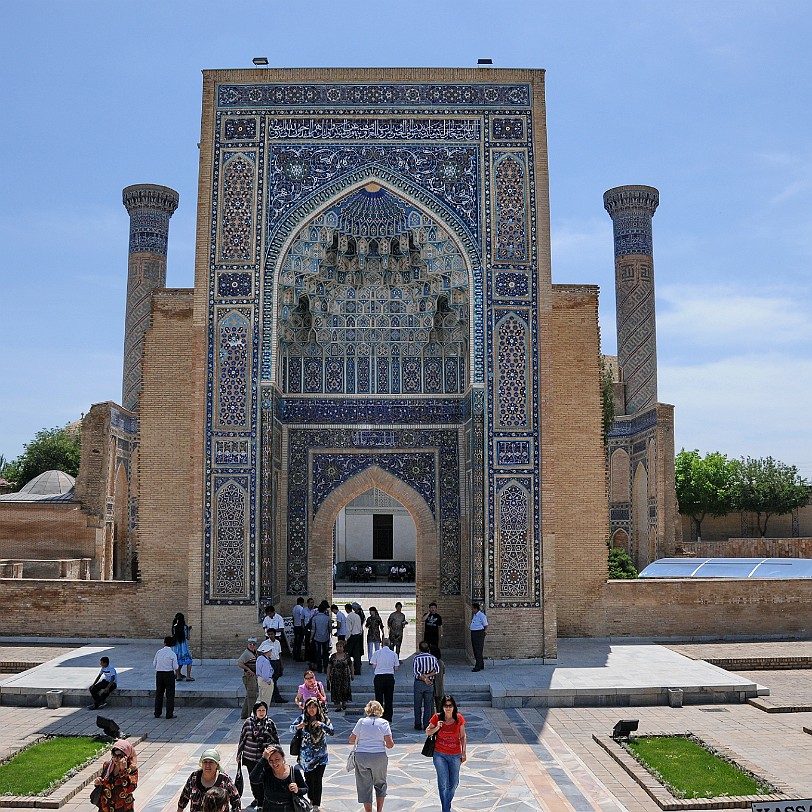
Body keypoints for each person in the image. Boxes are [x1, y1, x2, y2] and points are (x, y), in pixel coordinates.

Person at [349, 700, 395, 812]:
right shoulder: (384, 723)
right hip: (379, 757)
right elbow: (390, 744)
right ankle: (379, 810)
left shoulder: (361, 721)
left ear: (367, 710)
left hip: (362, 756)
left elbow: (351, 740)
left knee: (364, 786)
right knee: (380, 784)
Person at [290, 698, 334, 811]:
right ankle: (311, 800)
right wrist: (298, 727)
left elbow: (331, 731)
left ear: (317, 708)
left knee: (317, 780)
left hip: (321, 757)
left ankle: (316, 804)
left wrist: (321, 725)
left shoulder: (323, 719)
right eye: (309, 707)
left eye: (314, 707)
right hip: (306, 758)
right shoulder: (302, 718)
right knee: (308, 780)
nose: (311, 709)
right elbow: (291, 728)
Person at [426, 695, 467, 812]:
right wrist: (437, 728)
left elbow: (463, 736)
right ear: (442, 707)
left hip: (455, 754)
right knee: (443, 783)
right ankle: (445, 809)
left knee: (454, 783)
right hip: (440, 754)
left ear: (454, 707)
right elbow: (428, 732)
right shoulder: (437, 717)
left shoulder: (459, 719)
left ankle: (446, 805)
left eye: (450, 705)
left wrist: (464, 752)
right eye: (445, 705)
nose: (448, 708)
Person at [237, 701, 279, 809]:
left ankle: (262, 800)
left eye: (263, 710)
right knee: (253, 779)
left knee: (263, 780)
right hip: (249, 756)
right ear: (255, 711)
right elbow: (242, 739)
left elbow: (275, 739)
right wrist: (239, 754)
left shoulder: (270, 723)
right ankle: (257, 797)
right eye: (259, 710)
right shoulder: (248, 723)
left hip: (264, 758)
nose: (261, 712)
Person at [249, 744, 308, 812]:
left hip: (289, 808)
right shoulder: (267, 772)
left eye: (277, 759)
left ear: (283, 757)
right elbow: (253, 779)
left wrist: (297, 790)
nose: (274, 763)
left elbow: (305, 789)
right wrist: (263, 759)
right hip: (270, 808)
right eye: (270, 760)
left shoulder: (293, 771)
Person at [93, 739, 137, 812]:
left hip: (123, 808)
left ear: (126, 756)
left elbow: (130, 789)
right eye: (114, 755)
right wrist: (98, 782)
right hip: (106, 807)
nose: (116, 758)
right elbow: (102, 783)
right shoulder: (107, 765)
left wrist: (123, 771)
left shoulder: (131, 768)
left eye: (119, 756)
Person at [369, 637, 399, 722]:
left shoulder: (377, 653)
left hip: (379, 677)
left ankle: (379, 715)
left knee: (378, 698)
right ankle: (388, 716)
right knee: (389, 698)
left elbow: (373, 666)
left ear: (382, 644)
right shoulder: (393, 654)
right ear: (389, 644)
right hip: (389, 677)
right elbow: (396, 668)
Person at [412, 641, 439, 730]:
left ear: (419, 648)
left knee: (417, 705)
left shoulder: (416, 658)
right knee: (428, 705)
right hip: (429, 684)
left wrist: (424, 678)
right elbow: (436, 670)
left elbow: (416, 672)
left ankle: (417, 724)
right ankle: (427, 723)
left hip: (419, 683)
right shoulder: (433, 658)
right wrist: (427, 677)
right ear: (428, 649)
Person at [153, 635, 179, 719]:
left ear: (164, 643)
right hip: (169, 674)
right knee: (170, 694)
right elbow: (175, 667)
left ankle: (157, 713)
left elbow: (154, 664)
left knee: (159, 693)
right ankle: (169, 713)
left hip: (159, 674)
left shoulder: (159, 652)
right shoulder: (172, 654)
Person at [259, 631, 288, 703]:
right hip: (270, 662)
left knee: (275, 679)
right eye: (269, 634)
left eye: (271, 634)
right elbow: (259, 651)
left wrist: (281, 664)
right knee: (273, 680)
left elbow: (279, 653)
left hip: (277, 662)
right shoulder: (265, 643)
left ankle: (272, 695)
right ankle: (277, 697)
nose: (270, 636)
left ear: (274, 634)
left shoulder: (277, 642)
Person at [326, 639, 353, 711]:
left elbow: (350, 665)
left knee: (344, 690)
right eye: (337, 646)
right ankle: (338, 706)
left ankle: (344, 703)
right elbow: (329, 666)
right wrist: (328, 676)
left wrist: (352, 674)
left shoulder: (346, 656)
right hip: (335, 676)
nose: (339, 648)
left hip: (345, 676)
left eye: (340, 646)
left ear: (343, 647)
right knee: (336, 690)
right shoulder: (333, 656)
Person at [237, 637, 259, 719]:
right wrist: (248, 669)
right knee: (252, 696)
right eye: (250, 644)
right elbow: (239, 663)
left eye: (253, 644)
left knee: (249, 695)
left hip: (253, 676)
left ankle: (244, 714)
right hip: (249, 677)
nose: (252, 646)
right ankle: (251, 715)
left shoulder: (254, 652)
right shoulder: (246, 653)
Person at [311, 601, 332, 674]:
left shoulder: (315, 618)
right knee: (326, 653)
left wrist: (311, 638)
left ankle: (319, 668)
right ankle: (326, 668)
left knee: (318, 653)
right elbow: (330, 628)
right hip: (325, 637)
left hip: (317, 638)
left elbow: (313, 630)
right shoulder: (328, 618)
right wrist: (329, 635)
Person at [172, 612, 194, 681]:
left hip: (176, 648)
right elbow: (188, 637)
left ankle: (178, 676)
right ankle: (188, 676)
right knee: (189, 661)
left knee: (178, 661)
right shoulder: (185, 627)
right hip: (184, 648)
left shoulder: (174, 627)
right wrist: (189, 631)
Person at [344, 601, 363, 675]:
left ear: (347, 609)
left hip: (352, 636)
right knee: (356, 654)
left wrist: (346, 638)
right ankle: (357, 670)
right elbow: (360, 626)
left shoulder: (349, 617)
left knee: (347, 653)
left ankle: (346, 668)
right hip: (358, 635)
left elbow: (349, 629)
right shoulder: (357, 616)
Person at [256, 640, 276, 707]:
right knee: (265, 700)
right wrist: (268, 681)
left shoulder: (259, 658)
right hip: (265, 680)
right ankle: (263, 714)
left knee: (260, 698)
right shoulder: (266, 661)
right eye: (270, 651)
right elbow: (265, 673)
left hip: (260, 679)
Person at [470, 602, 489, 671]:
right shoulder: (474, 615)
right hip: (474, 633)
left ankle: (477, 666)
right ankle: (481, 664)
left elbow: (486, 625)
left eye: (472, 608)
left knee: (478, 649)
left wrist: (484, 632)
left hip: (479, 633)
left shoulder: (481, 615)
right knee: (475, 649)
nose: (471, 610)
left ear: (475, 608)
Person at [292, 597, 306, 662]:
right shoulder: (300, 608)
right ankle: (298, 656)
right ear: (301, 602)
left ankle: (294, 655)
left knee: (295, 642)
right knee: (299, 642)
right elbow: (303, 617)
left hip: (295, 626)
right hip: (300, 626)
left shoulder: (294, 608)